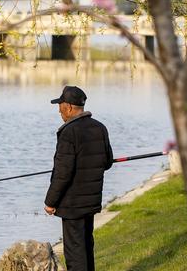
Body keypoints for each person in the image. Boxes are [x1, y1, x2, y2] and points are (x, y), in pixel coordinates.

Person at [44, 85, 114, 271]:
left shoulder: (68, 132)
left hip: (72, 204)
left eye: (60, 106)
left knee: (75, 254)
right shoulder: (100, 128)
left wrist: (50, 201)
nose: (59, 111)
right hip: (90, 201)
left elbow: (62, 173)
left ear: (68, 107)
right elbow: (107, 161)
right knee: (85, 247)